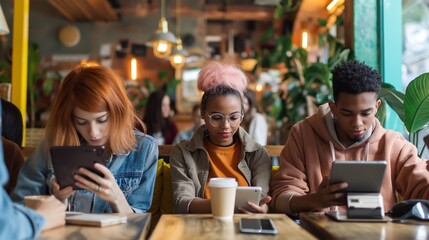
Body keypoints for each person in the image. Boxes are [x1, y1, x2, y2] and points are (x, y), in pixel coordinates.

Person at [270, 60, 429, 216]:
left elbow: (421, 186)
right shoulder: (303, 134)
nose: (357, 123)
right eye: (347, 113)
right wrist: (315, 200)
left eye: (366, 113)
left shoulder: (394, 144)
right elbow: (281, 198)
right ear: (333, 108)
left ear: (376, 107)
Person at [12, 65, 158, 214]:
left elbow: (139, 223)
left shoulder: (144, 149)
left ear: (118, 112)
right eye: (81, 122)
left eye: (102, 120)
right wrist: (58, 202)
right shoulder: (53, 144)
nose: (93, 133)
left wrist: (116, 197)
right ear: (69, 119)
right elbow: (20, 207)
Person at [170, 61, 272, 214]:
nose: (226, 126)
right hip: (200, 224)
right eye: (217, 118)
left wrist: (263, 207)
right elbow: (181, 202)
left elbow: (262, 199)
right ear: (203, 114)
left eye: (234, 117)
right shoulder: (183, 153)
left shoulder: (258, 154)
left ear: (241, 116)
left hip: (244, 224)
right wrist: (227, 205)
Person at [0, 101, 66, 239]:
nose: (93, 132)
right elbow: (6, 222)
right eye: (81, 121)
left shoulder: (11, 151)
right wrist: (38, 219)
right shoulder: (46, 149)